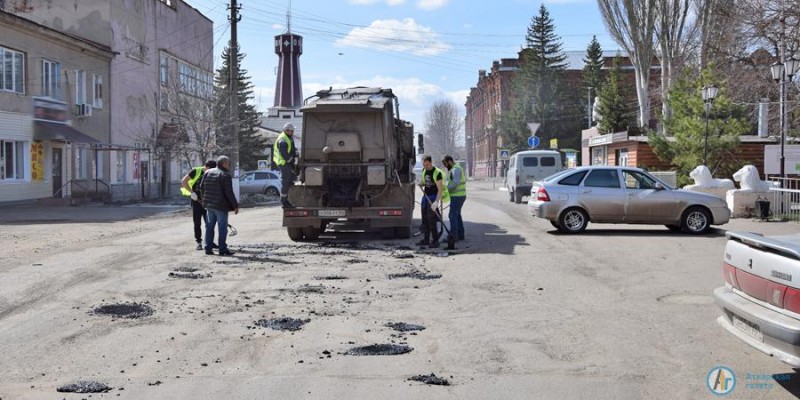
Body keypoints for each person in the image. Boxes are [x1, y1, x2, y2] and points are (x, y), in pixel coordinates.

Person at [200, 155, 239, 256]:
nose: (229, 165)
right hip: (220, 206)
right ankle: (222, 249)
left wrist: (204, 200)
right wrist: (235, 205)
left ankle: (208, 248)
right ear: (224, 163)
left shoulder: (207, 172)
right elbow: (229, 192)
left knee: (209, 227)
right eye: (228, 163)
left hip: (209, 205)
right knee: (222, 228)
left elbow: (202, 187)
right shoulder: (225, 175)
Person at [180, 159, 216, 250]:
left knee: (210, 223)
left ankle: (210, 242)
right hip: (197, 201)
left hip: (207, 202)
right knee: (197, 222)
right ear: (206, 167)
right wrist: (192, 193)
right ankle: (199, 242)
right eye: (209, 170)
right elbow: (183, 181)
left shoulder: (212, 173)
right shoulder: (196, 171)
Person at [417, 155, 446, 248]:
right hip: (425, 198)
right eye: (424, 165)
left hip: (433, 198)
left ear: (431, 162)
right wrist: (420, 184)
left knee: (431, 220)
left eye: (427, 165)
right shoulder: (424, 171)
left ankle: (435, 240)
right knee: (424, 219)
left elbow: (440, 189)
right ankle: (426, 240)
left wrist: (436, 202)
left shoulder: (437, 173)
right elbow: (425, 183)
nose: (425, 167)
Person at [273, 122, 298, 208]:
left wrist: (296, 153)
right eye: (291, 131)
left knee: (290, 180)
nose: (293, 132)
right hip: (284, 163)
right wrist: (292, 160)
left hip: (286, 163)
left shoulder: (288, 137)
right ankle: (284, 201)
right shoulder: (283, 140)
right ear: (286, 130)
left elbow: (291, 149)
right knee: (286, 182)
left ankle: (287, 199)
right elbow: (283, 153)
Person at [443, 155, 466, 241]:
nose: (446, 166)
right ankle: (460, 235)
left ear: (449, 161)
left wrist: (445, 190)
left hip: (457, 196)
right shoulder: (455, 169)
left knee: (452, 215)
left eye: (446, 164)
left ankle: (453, 236)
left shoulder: (455, 169)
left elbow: (455, 183)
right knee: (457, 215)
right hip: (459, 196)